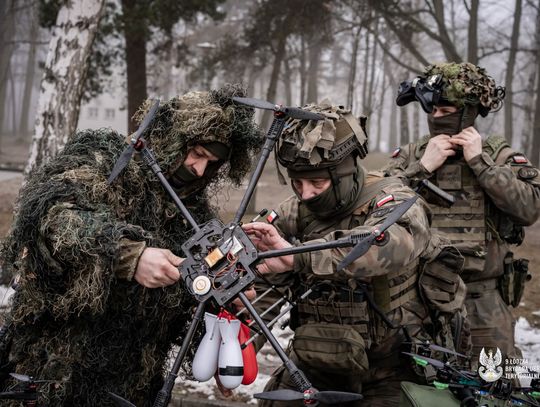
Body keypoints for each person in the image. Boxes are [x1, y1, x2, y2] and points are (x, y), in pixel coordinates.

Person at [0, 84, 262, 406]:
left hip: (132, 388)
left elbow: (186, 301)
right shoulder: (108, 162)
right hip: (53, 374)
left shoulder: (193, 219)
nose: (200, 170)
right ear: (173, 139)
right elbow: (54, 218)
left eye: (212, 163)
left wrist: (222, 301)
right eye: (197, 154)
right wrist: (128, 256)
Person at [243, 102, 462, 407]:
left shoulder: (397, 200)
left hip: (390, 369)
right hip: (315, 363)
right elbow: (267, 280)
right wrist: (244, 346)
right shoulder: (297, 210)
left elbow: (384, 245)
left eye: (317, 182)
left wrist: (300, 257)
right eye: (297, 182)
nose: (305, 193)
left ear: (344, 173)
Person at [383, 62, 540, 361]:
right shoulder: (410, 156)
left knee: (492, 388)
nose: (436, 118)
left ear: (467, 112)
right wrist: (422, 169)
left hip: (484, 304)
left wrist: (481, 165)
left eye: (446, 111)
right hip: (420, 300)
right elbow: (375, 208)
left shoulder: (500, 156)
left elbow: (530, 209)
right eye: (432, 111)